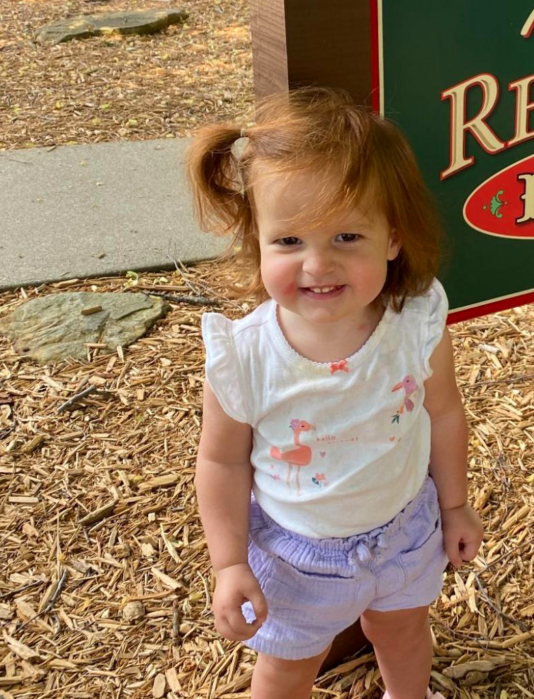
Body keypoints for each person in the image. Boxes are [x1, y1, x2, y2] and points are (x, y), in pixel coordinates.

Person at [187, 88, 483, 699]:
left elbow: (444, 412)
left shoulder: (414, 323)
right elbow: (219, 460)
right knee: (288, 666)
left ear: (393, 239)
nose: (317, 265)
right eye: (290, 241)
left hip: (405, 530)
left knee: (403, 634)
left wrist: (454, 505)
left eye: (347, 237)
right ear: (259, 240)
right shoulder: (247, 357)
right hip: (298, 557)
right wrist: (230, 562)